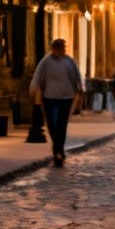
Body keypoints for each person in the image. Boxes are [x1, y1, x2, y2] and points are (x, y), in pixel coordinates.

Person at [28, 38, 84, 167]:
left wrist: (80, 89)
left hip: (66, 97)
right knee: (52, 124)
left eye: (63, 48)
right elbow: (38, 77)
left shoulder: (69, 62)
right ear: (54, 49)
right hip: (50, 97)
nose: (62, 51)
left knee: (61, 124)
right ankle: (58, 149)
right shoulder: (46, 62)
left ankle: (58, 151)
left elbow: (76, 76)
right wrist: (35, 91)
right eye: (60, 48)